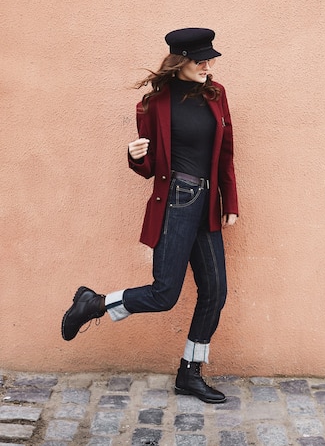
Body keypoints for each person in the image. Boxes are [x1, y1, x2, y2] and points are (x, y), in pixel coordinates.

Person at [61, 28, 238, 404]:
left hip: (207, 203)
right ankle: (93, 304)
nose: (209, 65)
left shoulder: (216, 94)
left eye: (211, 60)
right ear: (180, 62)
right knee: (163, 294)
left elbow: (226, 154)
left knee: (215, 293)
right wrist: (137, 156)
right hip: (177, 200)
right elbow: (149, 168)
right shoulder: (153, 105)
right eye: (201, 60)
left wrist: (231, 202)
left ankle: (189, 374)